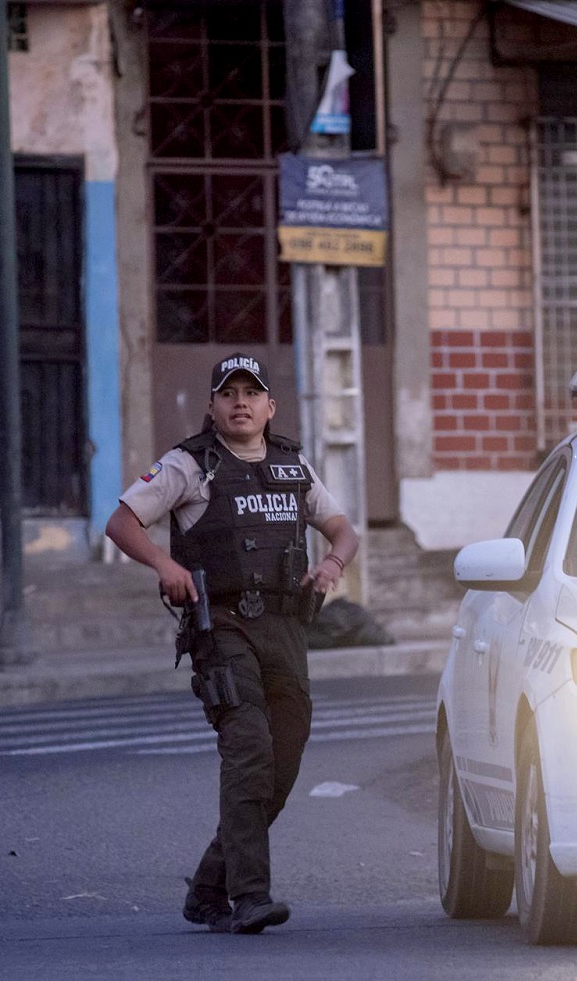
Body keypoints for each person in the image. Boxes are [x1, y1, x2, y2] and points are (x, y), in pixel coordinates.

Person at [105, 353, 359, 934]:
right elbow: (122, 523)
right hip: (221, 628)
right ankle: (249, 897)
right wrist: (165, 566)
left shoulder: (293, 464)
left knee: (284, 763)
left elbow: (342, 528)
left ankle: (208, 888)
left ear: (270, 406)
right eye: (228, 393)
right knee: (249, 751)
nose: (240, 402)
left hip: (286, 628)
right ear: (212, 406)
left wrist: (332, 563)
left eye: (251, 392)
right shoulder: (188, 466)